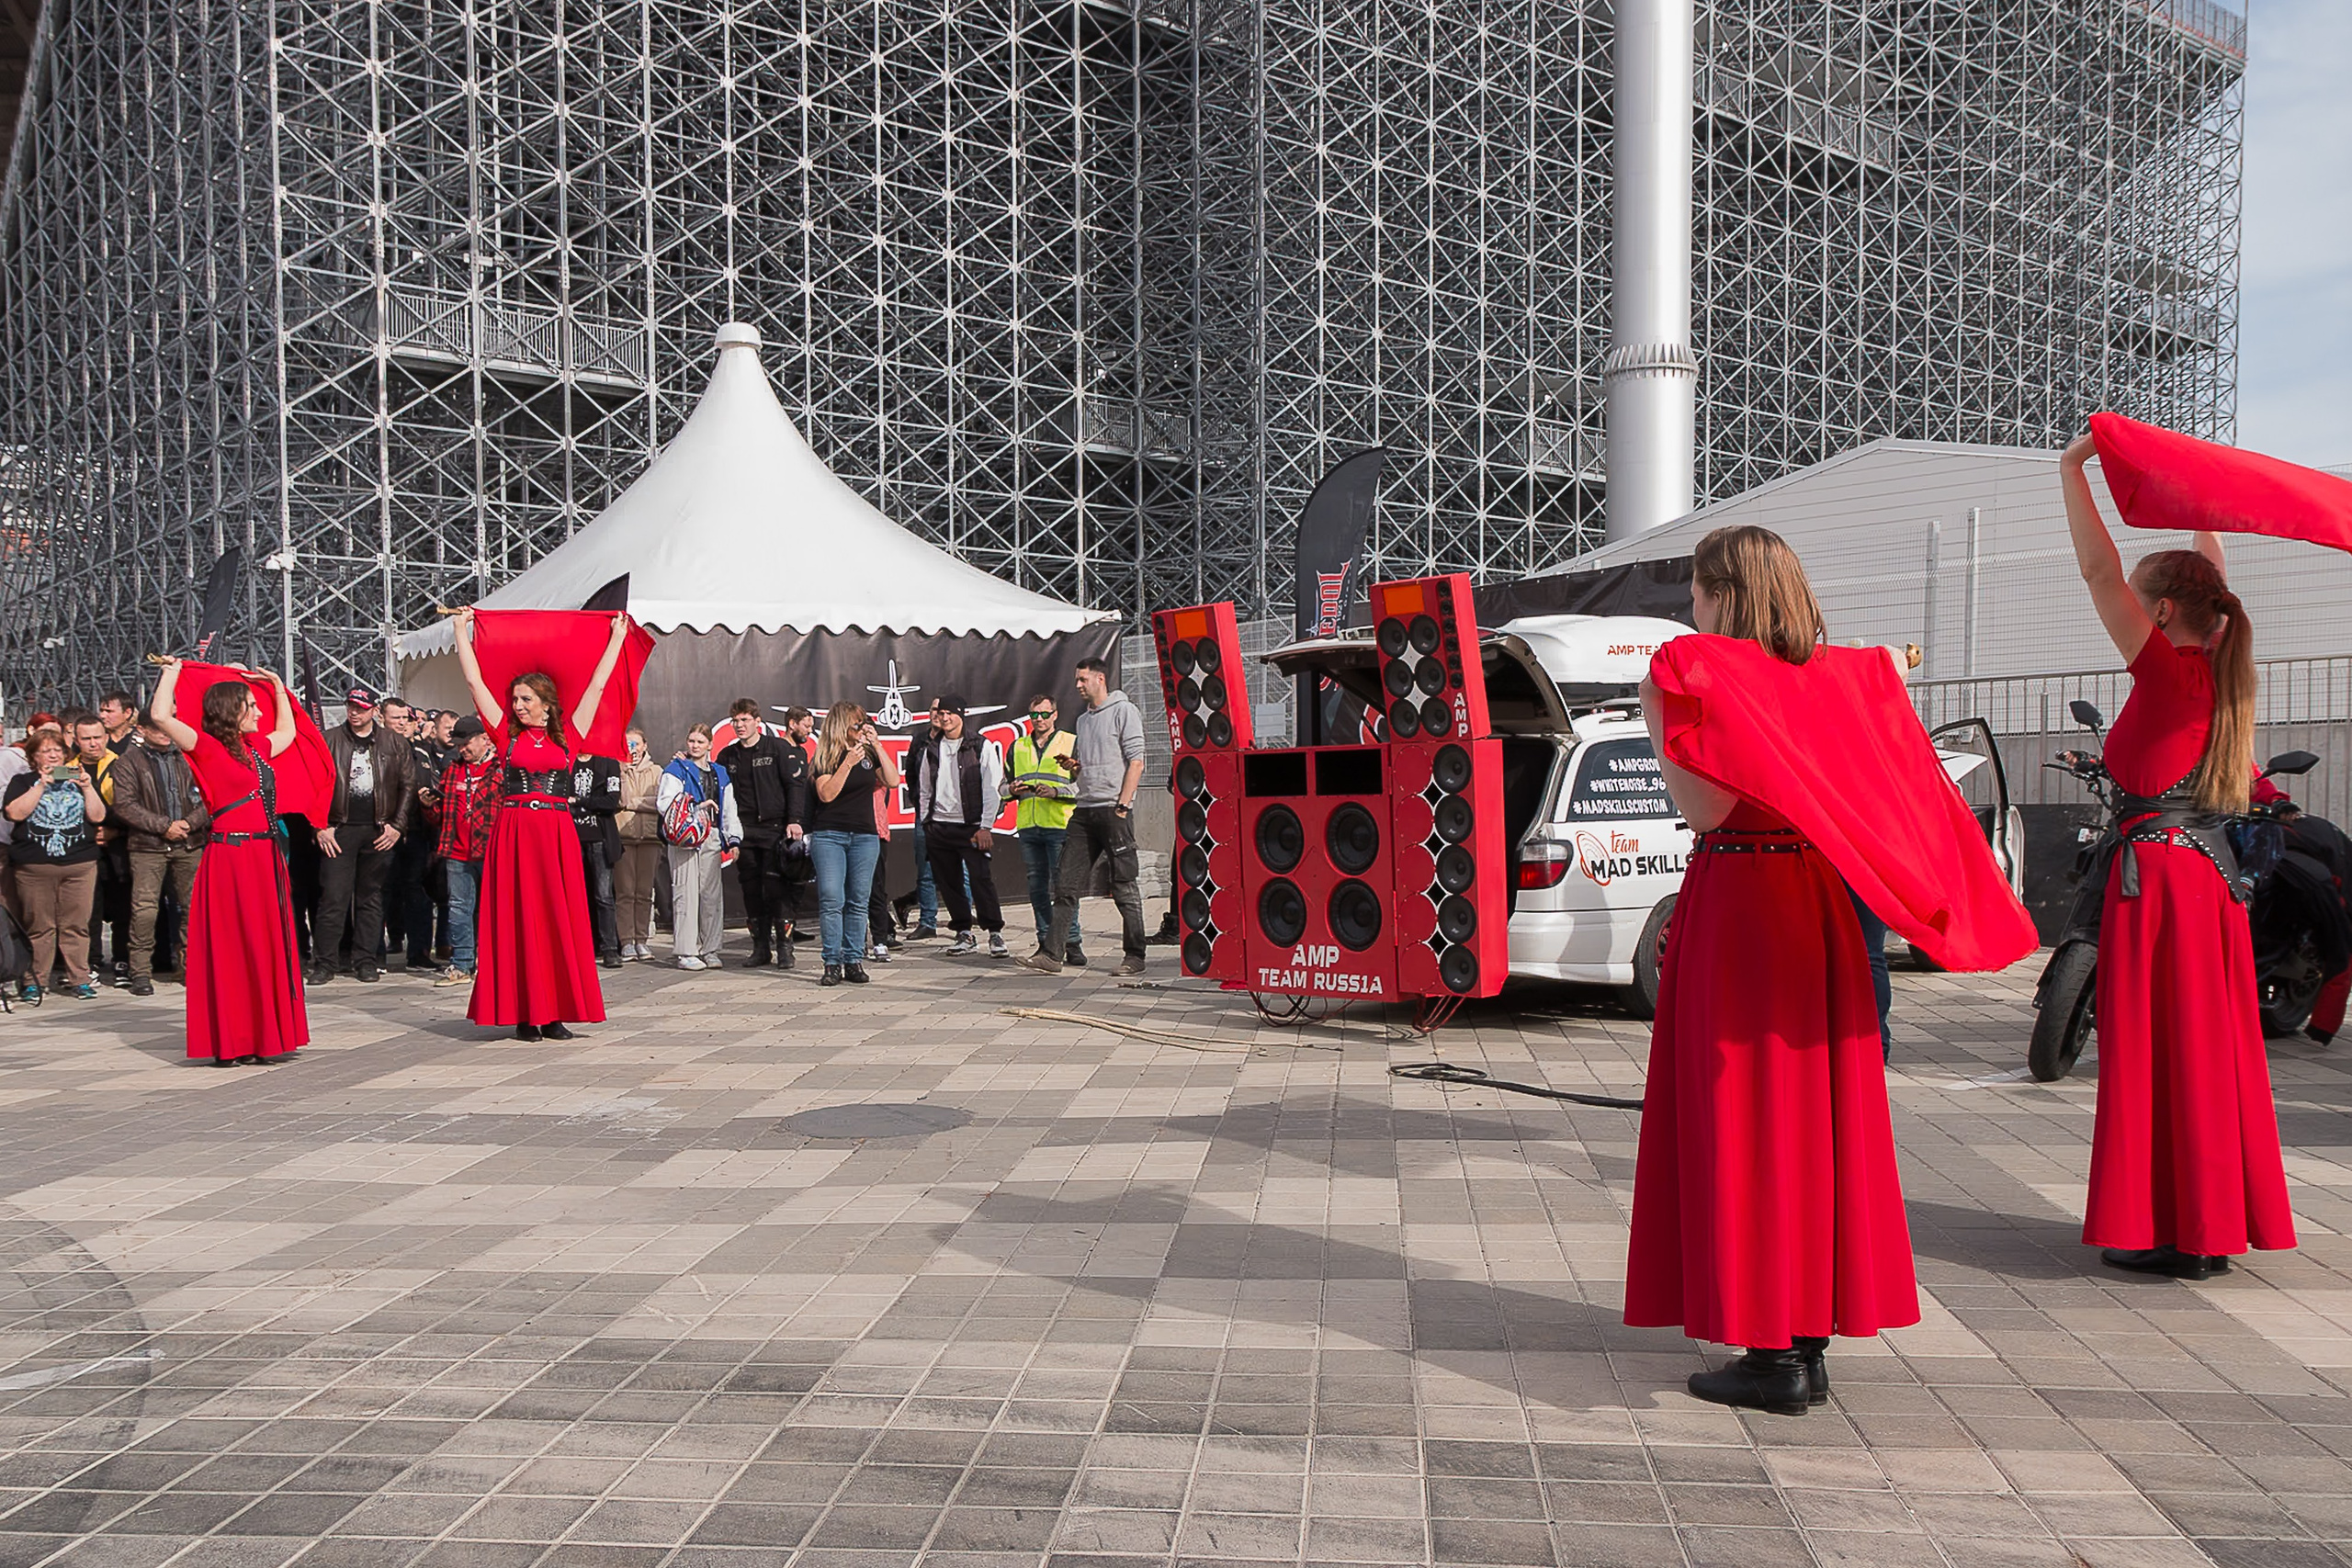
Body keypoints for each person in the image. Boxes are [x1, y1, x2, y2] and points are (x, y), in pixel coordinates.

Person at [1624, 525, 2033, 1417]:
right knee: (1816, 1119)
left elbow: (1703, 809)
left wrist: (1659, 720)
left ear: (1722, 592)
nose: (1687, 609)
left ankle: (1770, 1357)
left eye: (1696, 590)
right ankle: (1801, 1344)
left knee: (1744, 1115)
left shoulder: (1692, 670)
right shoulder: (1845, 678)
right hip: (1818, 906)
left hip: (1741, 901)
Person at [2059, 432, 2295, 1280]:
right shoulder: (2225, 677)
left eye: (2141, 595)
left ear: (2158, 612)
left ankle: (2174, 1230)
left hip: (2155, 874)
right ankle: (2206, 1222)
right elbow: (2212, 577)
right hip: (2208, 878)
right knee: (2208, 1049)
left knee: (2154, 1047)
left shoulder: (2166, 673)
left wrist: (2072, 469)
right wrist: (2201, 510)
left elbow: (2096, 572)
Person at [451, 606, 632, 1041]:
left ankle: (554, 1014)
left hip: (555, 832)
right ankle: (522, 1014)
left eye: (526, 699)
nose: (518, 705)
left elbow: (598, 684)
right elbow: (475, 682)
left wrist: (616, 640)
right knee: (518, 917)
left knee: (558, 918)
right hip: (514, 833)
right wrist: (461, 630)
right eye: (515, 699)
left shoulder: (569, 733)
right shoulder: (505, 736)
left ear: (546, 704)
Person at [149, 661, 309, 1064]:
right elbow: (159, 716)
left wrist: (276, 687)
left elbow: (288, 732)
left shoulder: (256, 749)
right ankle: (231, 1041)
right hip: (231, 858)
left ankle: (262, 1038)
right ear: (229, 710)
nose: (258, 712)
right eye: (251, 705)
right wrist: (175, 670)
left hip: (264, 858)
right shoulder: (205, 746)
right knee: (232, 951)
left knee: (263, 948)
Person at [1022, 657, 1148, 976]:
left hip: (1113, 810)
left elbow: (1136, 762)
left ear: (1100, 679)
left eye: (1083, 679)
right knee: (1065, 884)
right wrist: (1074, 767)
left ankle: (1134, 955)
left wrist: (1122, 805)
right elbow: (1086, 770)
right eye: (1077, 680)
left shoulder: (1123, 711)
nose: (1077, 685)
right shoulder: (1083, 720)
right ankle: (1052, 954)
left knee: (1123, 886)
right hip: (1085, 809)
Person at [309, 687, 415, 985]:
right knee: (333, 898)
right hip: (339, 828)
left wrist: (397, 825)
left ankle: (366, 960)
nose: (355, 713)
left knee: (371, 898)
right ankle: (325, 963)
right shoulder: (329, 739)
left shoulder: (393, 742)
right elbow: (313, 785)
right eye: (351, 707)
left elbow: (407, 785)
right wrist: (319, 826)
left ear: (374, 711)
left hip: (379, 829)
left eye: (361, 708)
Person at [109, 711, 210, 998]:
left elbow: (209, 795)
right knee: (145, 910)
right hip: (148, 846)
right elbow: (125, 805)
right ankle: (140, 971)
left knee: (193, 908)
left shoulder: (189, 756)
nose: (164, 732)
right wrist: (164, 826)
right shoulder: (129, 761)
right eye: (156, 727)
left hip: (190, 842)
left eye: (168, 726)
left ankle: (194, 968)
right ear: (141, 729)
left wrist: (190, 823)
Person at [5, 730, 107, 1000]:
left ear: (66, 754)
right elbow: (15, 813)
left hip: (80, 864)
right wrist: (40, 785)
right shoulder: (22, 781)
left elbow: (98, 816)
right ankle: (35, 982)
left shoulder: (78, 781)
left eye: (58, 751)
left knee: (77, 924)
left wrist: (87, 787)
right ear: (34, 757)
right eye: (45, 751)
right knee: (39, 926)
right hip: (34, 866)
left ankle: (80, 978)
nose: (52, 755)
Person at [907, 694, 1008, 957]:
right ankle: (963, 932)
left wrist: (985, 826)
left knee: (980, 879)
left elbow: (992, 788)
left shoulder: (979, 746)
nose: (945, 718)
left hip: (972, 826)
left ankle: (995, 933)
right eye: (940, 713)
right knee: (949, 883)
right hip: (939, 827)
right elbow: (923, 788)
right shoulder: (931, 747)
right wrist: (926, 820)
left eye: (950, 713)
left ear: (961, 714)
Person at [716, 697, 810, 967]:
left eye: (745, 720)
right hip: (744, 832)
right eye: (736, 721)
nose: (739, 725)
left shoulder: (777, 748)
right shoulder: (728, 755)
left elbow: (795, 785)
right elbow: (718, 788)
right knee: (751, 890)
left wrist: (794, 819)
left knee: (777, 889)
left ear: (758, 722)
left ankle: (785, 948)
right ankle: (760, 949)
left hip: (775, 830)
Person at [808, 703, 898, 987]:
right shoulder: (825, 756)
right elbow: (827, 794)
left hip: (864, 835)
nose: (861, 729)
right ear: (841, 726)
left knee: (859, 900)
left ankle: (853, 960)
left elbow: (893, 781)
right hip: (830, 835)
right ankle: (832, 962)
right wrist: (847, 763)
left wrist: (878, 745)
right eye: (856, 725)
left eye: (864, 724)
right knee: (833, 899)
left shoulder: (868, 753)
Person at [1008, 694, 1085, 965]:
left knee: (1064, 888)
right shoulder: (1017, 746)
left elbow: (1084, 785)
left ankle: (1071, 943)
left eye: (1044, 714)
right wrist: (1011, 790)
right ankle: (1045, 943)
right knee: (1037, 888)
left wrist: (1056, 791)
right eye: (1034, 715)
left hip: (1058, 825)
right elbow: (1003, 787)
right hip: (1029, 827)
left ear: (1055, 715)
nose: (1039, 720)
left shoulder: (1071, 742)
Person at [659, 723, 741, 970]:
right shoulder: (676, 769)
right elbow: (665, 803)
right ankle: (686, 950)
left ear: (710, 745)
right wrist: (695, 806)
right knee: (685, 892)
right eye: (691, 741)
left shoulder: (720, 773)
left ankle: (711, 948)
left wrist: (733, 838)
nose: (694, 745)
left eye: (700, 742)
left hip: (711, 836)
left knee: (711, 894)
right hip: (684, 836)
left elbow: (729, 808)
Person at [426, 715, 497, 989]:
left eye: (467, 743)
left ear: (484, 739)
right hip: (457, 851)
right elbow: (440, 816)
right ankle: (462, 963)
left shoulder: (500, 770)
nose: (462, 749)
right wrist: (428, 805)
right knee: (458, 909)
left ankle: (491, 962)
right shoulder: (453, 770)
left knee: (491, 909)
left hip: (490, 851)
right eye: (458, 744)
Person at [380, 697, 443, 973]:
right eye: (396, 718)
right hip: (385, 831)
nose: (402, 723)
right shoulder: (377, 748)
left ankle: (418, 953)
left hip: (417, 831)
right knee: (380, 893)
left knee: (416, 892)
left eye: (405, 718)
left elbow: (433, 782)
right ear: (382, 719)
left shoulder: (422, 750)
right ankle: (374, 955)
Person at [614, 728, 664, 960]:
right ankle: (626, 941)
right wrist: (623, 773)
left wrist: (634, 802)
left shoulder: (657, 771)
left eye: (635, 744)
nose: (632, 749)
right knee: (625, 892)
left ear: (645, 745)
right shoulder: (617, 769)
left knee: (644, 893)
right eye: (627, 745)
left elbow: (660, 802)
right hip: (623, 837)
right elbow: (619, 800)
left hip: (651, 838)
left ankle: (642, 940)